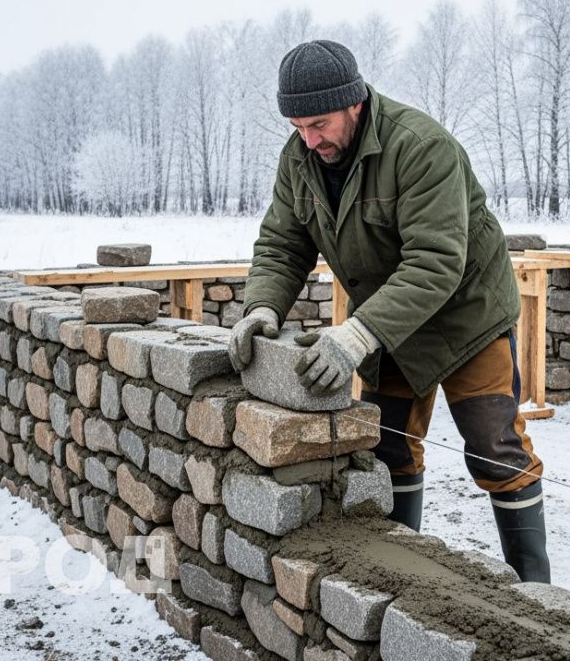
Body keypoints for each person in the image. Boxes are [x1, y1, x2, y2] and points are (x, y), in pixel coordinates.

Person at [227, 40, 550, 583]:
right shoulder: (300, 159)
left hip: (465, 317)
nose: (309, 139)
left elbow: (435, 262)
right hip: (388, 325)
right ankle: (403, 584)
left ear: (354, 103)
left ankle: (537, 590)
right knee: (388, 449)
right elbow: (283, 245)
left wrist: (356, 337)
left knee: (495, 449)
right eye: (297, 126)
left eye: (320, 124)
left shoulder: (421, 147)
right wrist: (261, 307)